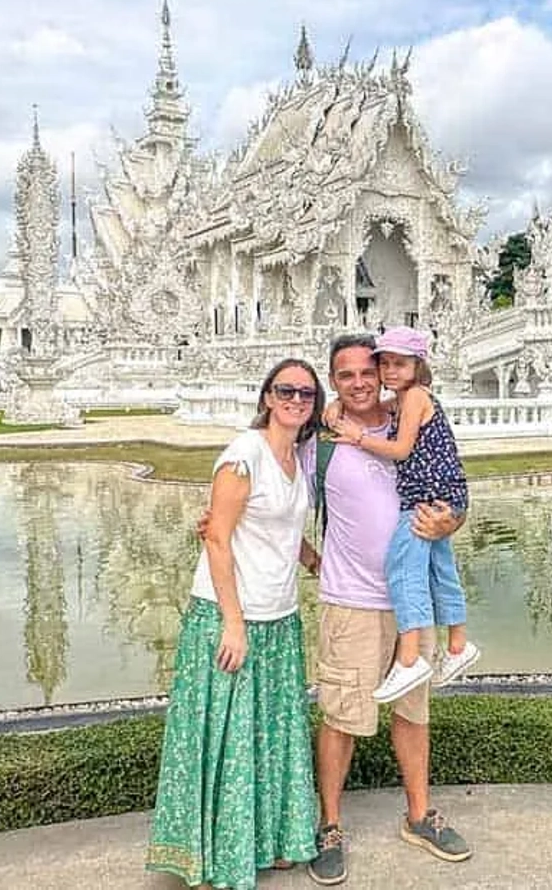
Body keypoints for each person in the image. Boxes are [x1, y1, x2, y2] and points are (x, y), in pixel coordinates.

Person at [146, 358, 325, 889]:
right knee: (227, 736)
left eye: (306, 394)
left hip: (279, 615)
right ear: (267, 396)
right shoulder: (243, 454)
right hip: (232, 617)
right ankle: (214, 854)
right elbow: (217, 537)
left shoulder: (297, 456)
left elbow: (283, 531)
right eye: (286, 390)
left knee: (269, 733)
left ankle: (268, 839)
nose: (296, 399)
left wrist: (318, 562)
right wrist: (232, 623)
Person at [305, 333, 472, 887]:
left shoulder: (413, 422)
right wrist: (311, 559)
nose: (357, 382)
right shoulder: (322, 441)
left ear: (384, 372)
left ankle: (420, 815)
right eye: (345, 374)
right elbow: (275, 504)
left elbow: (451, 497)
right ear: (334, 380)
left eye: (366, 372)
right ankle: (329, 824)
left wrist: (451, 521)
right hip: (351, 602)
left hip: (412, 605)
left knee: (412, 713)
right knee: (341, 716)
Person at [328, 326, 480, 703]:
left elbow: (401, 449)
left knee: (403, 570)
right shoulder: (404, 399)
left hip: (426, 500)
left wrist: (357, 437)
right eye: (386, 364)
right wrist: (334, 408)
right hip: (443, 495)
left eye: (400, 364)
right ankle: (458, 645)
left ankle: (410, 658)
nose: (391, 371)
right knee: (439, 571)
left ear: (418, 366)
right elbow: (361, 408)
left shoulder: (413, 397)